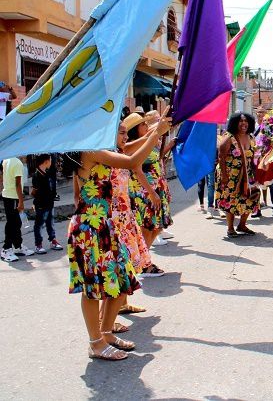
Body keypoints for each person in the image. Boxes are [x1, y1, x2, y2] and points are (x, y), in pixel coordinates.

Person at [67, 116, 170, 361]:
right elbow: (133, 160)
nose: (123, 136)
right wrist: (156, 134)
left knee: (121, 280)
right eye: (118, 130)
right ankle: (95, 342)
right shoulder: (91, 151)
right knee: (93, 288)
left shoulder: (108, 150)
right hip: (92, 227)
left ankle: (105, 332)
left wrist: (155, 130)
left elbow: (131, 149)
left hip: (108, 224)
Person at [125, 112, 170, 278]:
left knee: (156, 227)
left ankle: (144, 259)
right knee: (148, 227)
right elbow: (136, 169)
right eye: (143, 124)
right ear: (135, 129)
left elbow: (156, 129)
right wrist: (151, 193)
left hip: (155, 189)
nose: (147, 126)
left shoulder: (147, 140)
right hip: (143, 192)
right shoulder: (134, 147)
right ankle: (143, 263)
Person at [216, 112, 260, 238]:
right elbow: (221, 156)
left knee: (251, 197)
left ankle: (242, 225)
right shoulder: (229, 137)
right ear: (235, 123)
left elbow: (253, 157)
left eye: (246, 121)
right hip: (230, 175)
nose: (243, 123)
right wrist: (224, 176)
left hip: (247, 174)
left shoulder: (251, 137)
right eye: (241, 121)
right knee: (230, 199)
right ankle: (230, 228)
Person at [1, 156, 32, 262]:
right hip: (13, 196)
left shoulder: (7, 159)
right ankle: (6, 249)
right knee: (12, 223)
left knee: (16, 222)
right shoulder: (18, 163)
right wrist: (21, 201)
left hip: (7, 195)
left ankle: (18, 246)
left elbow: (3, 176)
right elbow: (18, 183)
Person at [31, 154, 62, 254]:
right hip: (41, 205)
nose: (51, 162)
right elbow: (34, 191)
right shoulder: (36, 175)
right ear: (45, 162)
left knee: (50, 223)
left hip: (49, 203)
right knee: (39, 225)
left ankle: (53, 240)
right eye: (50, 160)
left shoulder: (48, 173)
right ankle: (38, 244)